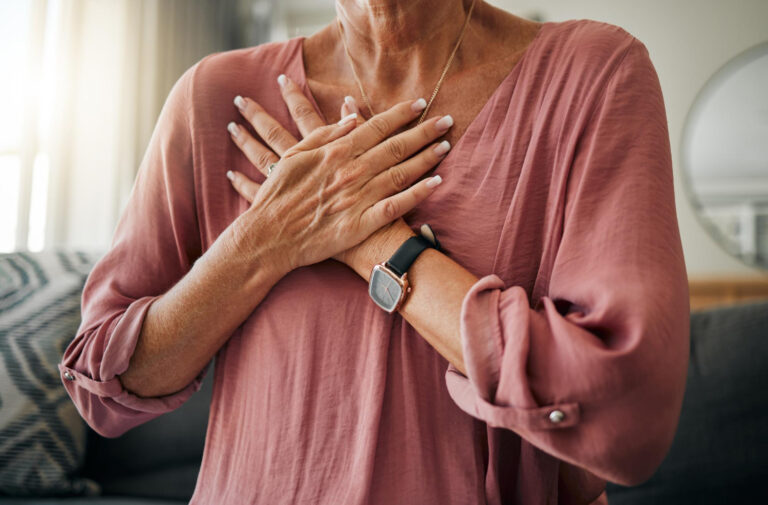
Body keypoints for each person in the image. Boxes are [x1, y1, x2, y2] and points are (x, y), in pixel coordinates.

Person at [58, 0, 690, 503]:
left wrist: (377, 243)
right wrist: (262, 240)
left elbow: (625, 416)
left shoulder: (593, 75)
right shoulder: (214, 96)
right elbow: (102, 387)